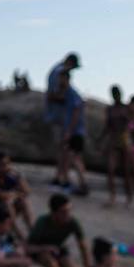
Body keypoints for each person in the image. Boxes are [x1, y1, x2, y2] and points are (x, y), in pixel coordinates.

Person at [44, 53, 88, 195]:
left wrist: (69, 130)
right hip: (70, 127)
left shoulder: (71, 94)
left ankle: (78, 183)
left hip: (74, 130)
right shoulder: (63, 81)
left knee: (72, 157)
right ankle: (65, 180)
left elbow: (75, 111)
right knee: (69, 155)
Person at [27, 193, 87, 267]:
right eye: (64, 212)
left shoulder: (73, 222)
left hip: (58, 249)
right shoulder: (42, 222)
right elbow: (28, 247)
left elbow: (83, 246)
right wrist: (45, 248)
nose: (68, 214)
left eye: (69, 210)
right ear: (53, 213)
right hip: (40, 250)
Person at [0, 150, 34, 239]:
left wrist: (18, 176)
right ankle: (18, 234)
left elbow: (27, 191)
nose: (6, 167)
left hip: (5, 208)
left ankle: (32, 230)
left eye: (8, 164)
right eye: (2, 165)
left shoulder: (10, 176)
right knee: (8, 203)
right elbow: (1, 195)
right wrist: (16, 194)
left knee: (23, 201)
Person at [100, 85, 134, 207]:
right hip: (114, 140)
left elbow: (133, 123)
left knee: (126, 171)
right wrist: (102, 139)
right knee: (110, 170)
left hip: (124, 139)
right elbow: (107, 126)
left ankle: (129, 197)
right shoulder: (110, 109)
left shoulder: (126, 108)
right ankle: (112, 196)